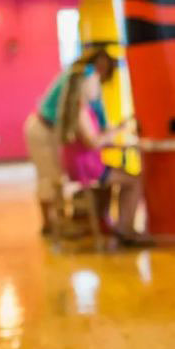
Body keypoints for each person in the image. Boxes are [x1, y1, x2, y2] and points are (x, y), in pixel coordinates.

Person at [23, 48, 116, 235]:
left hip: (52, 130)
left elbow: (97, 107)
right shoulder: (82, 73)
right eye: (99, 65)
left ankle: (62, 221)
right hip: (42, 128)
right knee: (49, 178)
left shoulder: (84, 77)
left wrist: (105, 127)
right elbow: (95, 104)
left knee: (55, 177)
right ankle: (50, 225)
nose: (100, 71)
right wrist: (105, 129)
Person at [57, 63, 145, 244]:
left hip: (82, 164)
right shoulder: (81, 111)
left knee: (121, 173)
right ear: (84, 86)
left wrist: (116, 132)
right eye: (94, 83)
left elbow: (94, 139)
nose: (97, 88)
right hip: (87, 168)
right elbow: (93, 141)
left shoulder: (80, 109)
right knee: (134, 180)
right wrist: (116, 132)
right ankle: (125, 229)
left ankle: (118, 225)